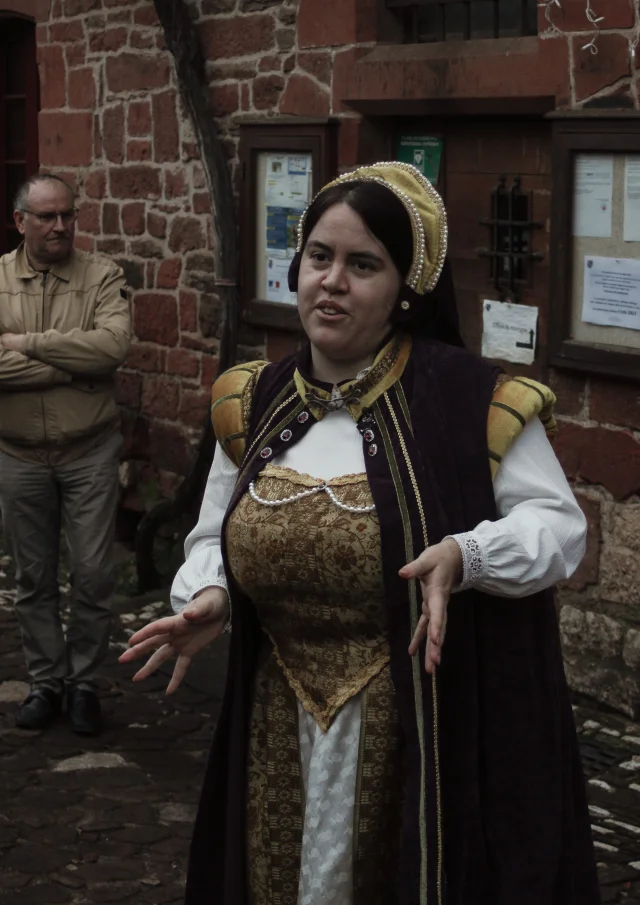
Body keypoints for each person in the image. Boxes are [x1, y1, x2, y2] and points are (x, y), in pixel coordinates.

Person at [120, 163, 600, 905]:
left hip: (416, 726)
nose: (332, 281)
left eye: (362, 264)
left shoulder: (476, 401)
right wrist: (211, 590)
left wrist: (465, 555)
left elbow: (560, 528)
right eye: (319, 257)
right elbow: (214, 530)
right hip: (279, 718)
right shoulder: (252, 403)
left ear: (406, 290)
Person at [0, 173, 132, 736]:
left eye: (68, 216)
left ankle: (83, 683)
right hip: (19, 454)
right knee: (32, 577)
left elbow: (112, 348)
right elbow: (91, 357)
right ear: (21, 221)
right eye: (48, 217)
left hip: (89, 452)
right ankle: (45, 681)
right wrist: (73, 364)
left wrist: (26, 346)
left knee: (94, 574)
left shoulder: (102, 275)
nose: (61, 227)